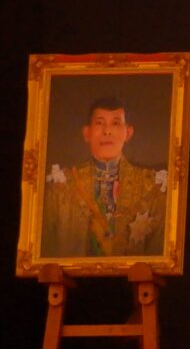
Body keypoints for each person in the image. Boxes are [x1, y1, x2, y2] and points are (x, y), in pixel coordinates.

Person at [42, 93, 168, 259]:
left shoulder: (152, 188)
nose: (107, 131)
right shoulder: (61, 187)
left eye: (115, 123)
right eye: (99, 123)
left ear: (128, 133)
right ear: (87, 133)